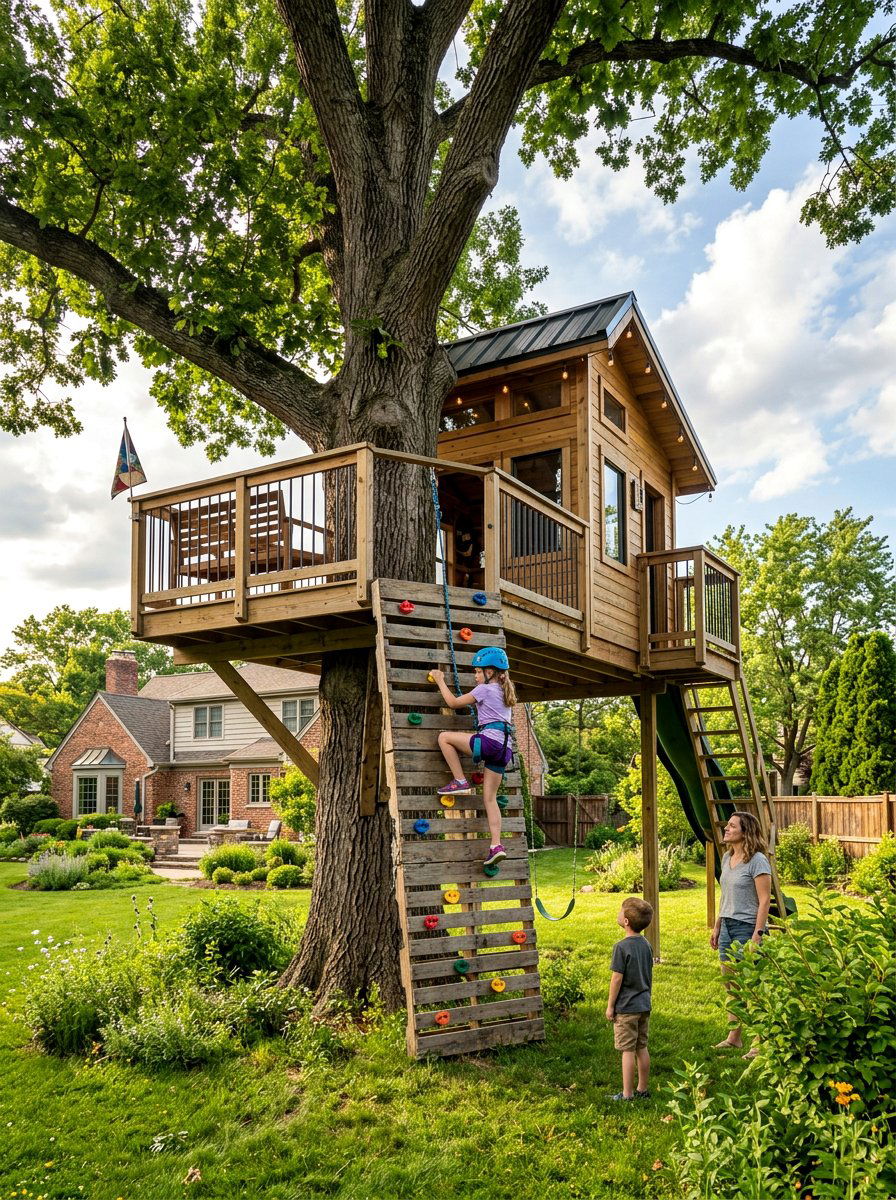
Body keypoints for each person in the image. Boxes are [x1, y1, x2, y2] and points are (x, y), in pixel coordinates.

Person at [430, 646, 516, 867]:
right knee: (490, 799)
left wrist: (440, 680)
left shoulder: (484, 689)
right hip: (505, 749)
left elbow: (452, 703)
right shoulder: (504, 691)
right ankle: (496, 845)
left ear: (490, 672)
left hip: (489, 743)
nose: (475, 676)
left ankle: (460, 780)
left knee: (444, 738)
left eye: (478, 671)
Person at [710, 810, 772, 1055]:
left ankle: (759, 1042)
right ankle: (734, 1037)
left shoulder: (758, 860)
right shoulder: (727, 857)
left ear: (746, 832)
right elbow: (725, 895)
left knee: (752, 987)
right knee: (731, 986)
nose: (726, 829)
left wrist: (758, 934)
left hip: (747, 927)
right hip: (727, 925)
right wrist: (717, 925)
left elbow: (765, 900)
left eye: (732, 826)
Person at [606, 896, 654, 1102]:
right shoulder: (646, 944)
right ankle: (642, 1089)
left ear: (626, 921)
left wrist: (611, 1006)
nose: (618, 913)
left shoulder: (621, 947)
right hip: (644, 1004)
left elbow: (617, 979)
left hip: (626, 1008)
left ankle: (627, 1094)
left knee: (627, 1050)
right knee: (641, 1047)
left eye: (620, 911)